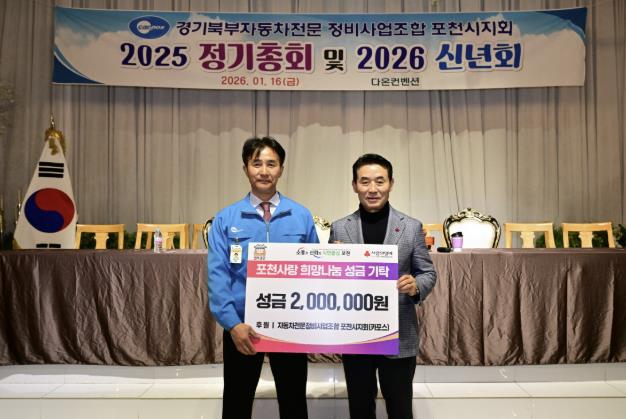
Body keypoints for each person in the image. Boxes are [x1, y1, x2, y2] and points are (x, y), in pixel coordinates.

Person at [208, 136, 319, 419]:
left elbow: (315, 271)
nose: (264, 171)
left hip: (290, 325)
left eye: (272, 164)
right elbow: (218, 276)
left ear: (281, 169)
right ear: (245, 168)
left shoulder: (301, 216)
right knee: (237, 402)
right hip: (243, 327)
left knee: (294, 402)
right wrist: (233, 324)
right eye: (257, 164)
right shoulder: (226, 219)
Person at [329, 153, 437, 419]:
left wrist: (415, 286)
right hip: (356, 336)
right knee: (360, 409)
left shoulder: (411, 227)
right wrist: (332, 261)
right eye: (365, 181)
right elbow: (331, 282)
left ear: (391, 183)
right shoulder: (340, 229)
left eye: (380, 181)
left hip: (399, 336)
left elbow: (427, 272)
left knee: (400, 409)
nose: (373, 189)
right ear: (354, 185)